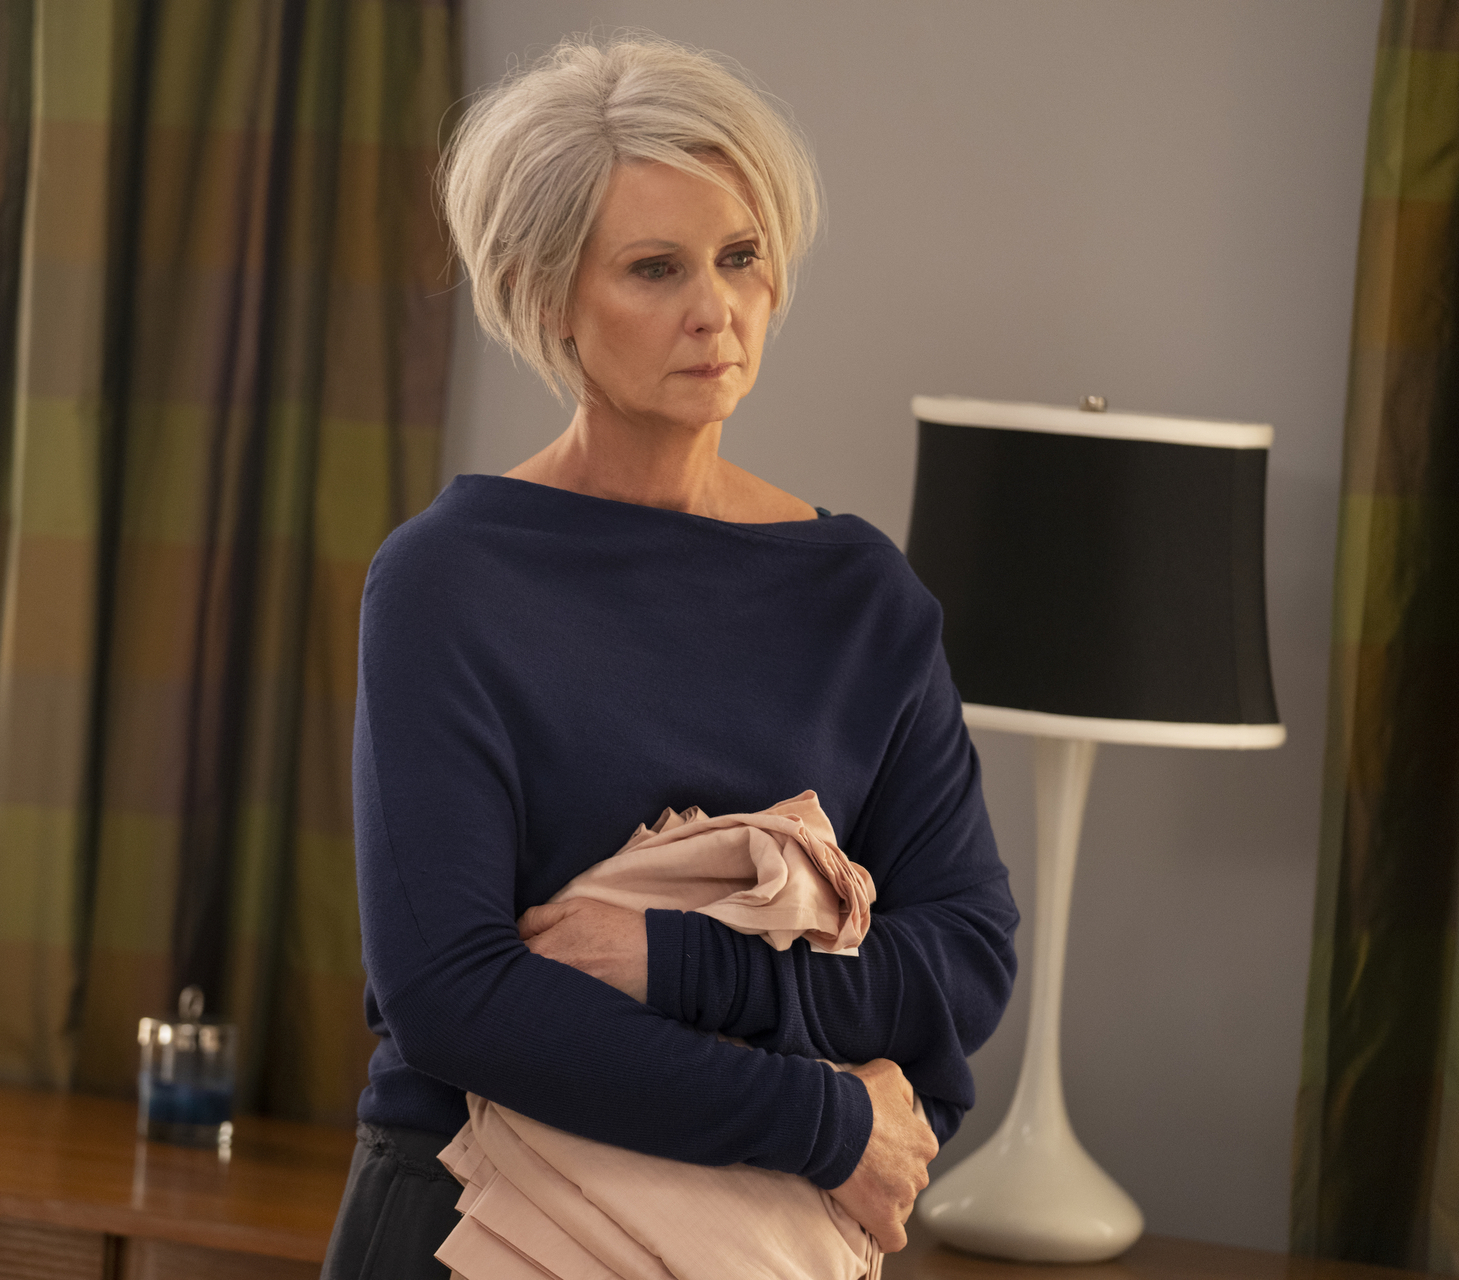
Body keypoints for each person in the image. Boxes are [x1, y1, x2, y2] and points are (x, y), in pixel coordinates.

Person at [320, 33, 1018, 1280]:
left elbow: (964, 958)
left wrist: (672, 960)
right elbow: (451, 994)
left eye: (740, 256)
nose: (718, 310)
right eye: (656, 268)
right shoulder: (447, 581)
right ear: (544, 295)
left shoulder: (861, 596)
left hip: (752, 1231)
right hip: (471, 1220)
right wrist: (825, 1119)